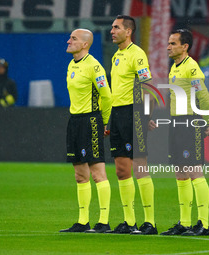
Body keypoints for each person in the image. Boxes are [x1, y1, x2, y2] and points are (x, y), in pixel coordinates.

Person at [59, 29, 112, 233]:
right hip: (75, 121)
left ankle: (104, 222)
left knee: (98, 173)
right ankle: (83, 222)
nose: (69, 40)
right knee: (80, 175)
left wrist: (105, 122)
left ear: (85, 44)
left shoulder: (94, 66)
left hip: (91, 120)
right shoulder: (72, 64)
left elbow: (106, 96)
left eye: (73, 39)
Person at [108, 15, 157, 235]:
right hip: (117, 114)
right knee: (121, 169)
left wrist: (145, 116)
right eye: (112, 27)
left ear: (128, 31)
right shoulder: (116, 55)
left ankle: (150, 223)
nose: (112, 30)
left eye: (116, 27)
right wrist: (110, 118)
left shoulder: (137, 54)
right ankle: (129, 222)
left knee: (140, 166)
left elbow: (148, 87)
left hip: (132, 112)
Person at [161, 29, 209, 236]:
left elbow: (206, 99)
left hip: (190, 122)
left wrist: (206, 124)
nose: (168, 46)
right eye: (168, 42)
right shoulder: (174, 68)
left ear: (185, 47)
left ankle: (204, 224)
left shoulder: (191, 68)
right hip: (176, 123)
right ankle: (184, 223)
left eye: (173, 43)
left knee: (194, 173)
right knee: (181, 174)